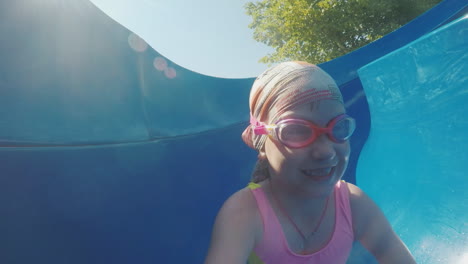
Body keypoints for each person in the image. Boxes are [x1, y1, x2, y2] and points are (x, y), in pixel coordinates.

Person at [204, 61, 416, 264]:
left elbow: (394, 254)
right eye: (296, 131)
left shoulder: (352, 203)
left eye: (338, 127)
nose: (325, 152)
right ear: (261, 142)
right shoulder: (245, 212)